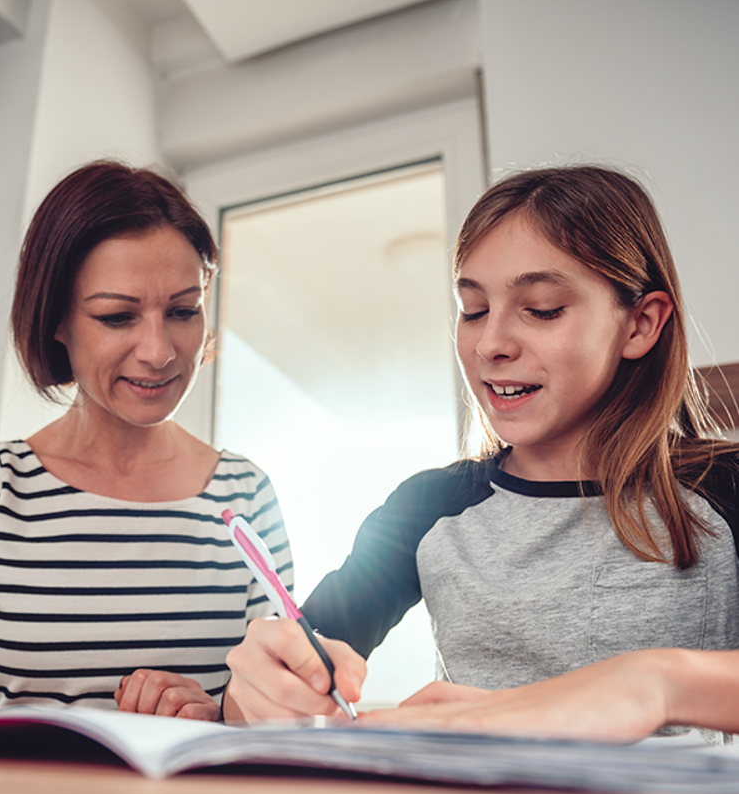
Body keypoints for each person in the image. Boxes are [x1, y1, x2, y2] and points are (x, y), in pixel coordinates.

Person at [223, 163, 739, 742]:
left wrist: (653, 682)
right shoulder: (427, 507)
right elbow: (284, 678)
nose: (490, 343)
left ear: (640, 324)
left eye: (542, 308)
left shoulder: (725, 487)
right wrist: (256, 692)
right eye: (472, 310)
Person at [0, 160, 292, 722]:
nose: (160, 351)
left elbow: (280, 706)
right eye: (117, 316)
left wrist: (220, 717)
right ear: (56, 321)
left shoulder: (246, 494)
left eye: (183, 311)